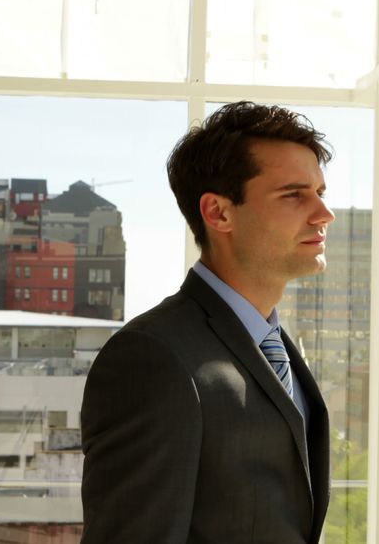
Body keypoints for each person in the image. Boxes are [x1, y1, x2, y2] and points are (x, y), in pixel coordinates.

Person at [81, 101, 335, 543]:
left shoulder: (273, 344)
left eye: (320, 192)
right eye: (294, 195)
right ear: (219, 213)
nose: (323, 214)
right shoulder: (153, 356)